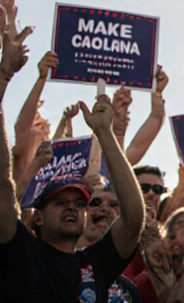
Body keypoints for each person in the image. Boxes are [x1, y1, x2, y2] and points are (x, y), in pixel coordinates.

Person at [1, 93, 147, 303]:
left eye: (80, 204)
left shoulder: (95, 263)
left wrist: (105, 133)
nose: (72, 208)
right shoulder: (19, 251)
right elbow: (3, 186)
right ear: (38, 217)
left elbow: (133, 218)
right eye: (61, 202)